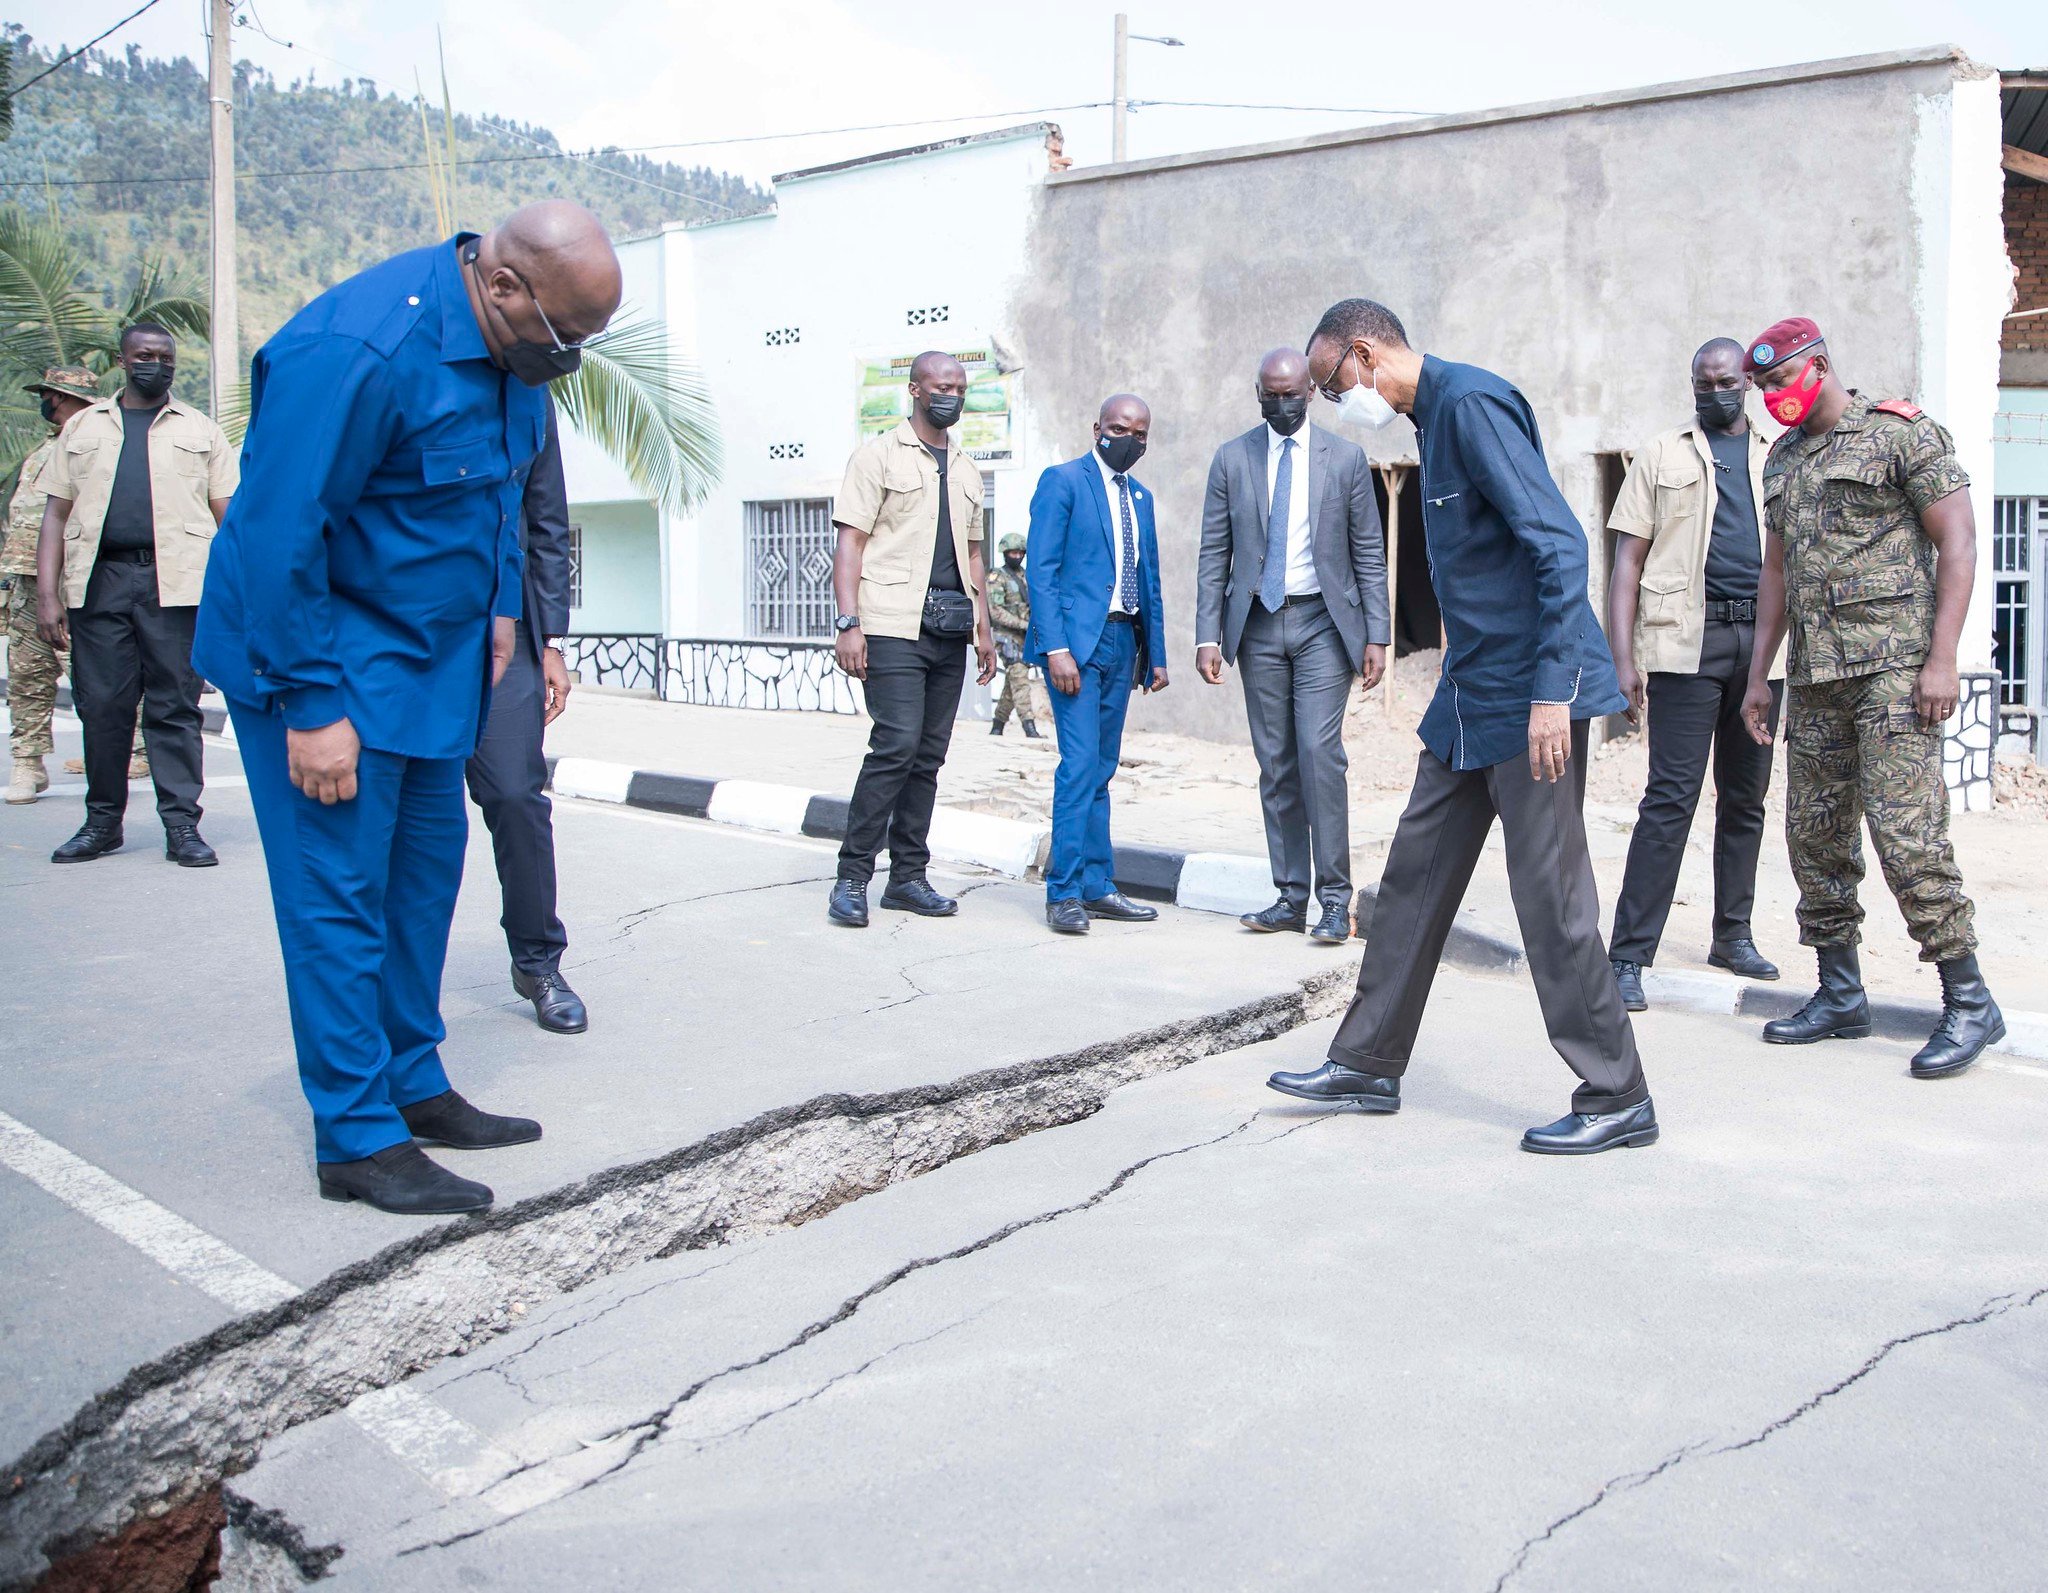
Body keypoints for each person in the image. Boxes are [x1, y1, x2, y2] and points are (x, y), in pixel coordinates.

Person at [192, 202, 623, 1216]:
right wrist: (309, 703)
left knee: (422, 878)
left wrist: (499, 616)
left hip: (436, 659)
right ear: (504, 285)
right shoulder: (359, 349)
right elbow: (274, 533)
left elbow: (499, 498)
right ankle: (355, 1134)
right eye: (565, 336)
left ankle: (412, 1082)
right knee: (339, 896)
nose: (570, 359)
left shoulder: (516, 354)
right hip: (323, 654)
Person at [1268, 298, 1656, 1156]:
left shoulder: (1471, 405)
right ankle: (1367, 1060)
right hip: (1471, 692)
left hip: (1531, 695)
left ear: (1364, 354)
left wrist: (1555, 689)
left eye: (1334, 385)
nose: (1339, 406)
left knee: (1549, 898)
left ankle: (1617, 1090)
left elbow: (1557, 543)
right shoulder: (1427, 421)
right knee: (1411, 876)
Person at [1739, 317, 2002, 1079]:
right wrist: (1763, 674)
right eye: (1763, 389)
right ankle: (1840, 991)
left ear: (1818, 365)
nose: (1771, 399)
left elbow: (1958, 538)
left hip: (1896, 669)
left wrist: (1944, 659)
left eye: (1780, 381)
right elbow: (1776, 574)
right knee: (1813, 834)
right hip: (1819, 675)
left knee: (1906, 833)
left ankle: (1969, 998)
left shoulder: (1899, 434)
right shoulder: (1782, 460)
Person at [1604, 338, 1785, 1011]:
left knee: (1746, 797)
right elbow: (1627, 562)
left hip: (1764, 649)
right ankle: (1627, 954)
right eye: (1702, 383)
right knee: (1670, 799)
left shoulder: (1780, 452)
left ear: (1747, 382)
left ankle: (1731, 935)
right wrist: (1623, 659)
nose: (1714, 393)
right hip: (1686, 644)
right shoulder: (1661, 454)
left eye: (1726, 381)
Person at [1196, 347, 1390, 945]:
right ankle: (1289, 896)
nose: (1280, 405)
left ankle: (1335, 899)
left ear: (1310, 392)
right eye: (1268, 396)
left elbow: (1367, 552)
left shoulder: (1347, 459)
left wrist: (1377, 633)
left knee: (1318, 753)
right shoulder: (1233, 459)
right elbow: (1213, 555)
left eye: (1290, 394)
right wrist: (1208, 633)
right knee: (1275, 761)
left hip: (1323, 627)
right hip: (1257, 626)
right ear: (1259, 394)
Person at [35, 325, 237, 865]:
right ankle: (102, 823)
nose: (156, 364)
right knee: (102, 707)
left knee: (175, 706)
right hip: (100, 583)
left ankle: (181, 827)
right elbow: (55, 514)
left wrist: (237, 595)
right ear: (123, 361)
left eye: (165, 356)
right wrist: (48, 596)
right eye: (145, 355)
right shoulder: (82, 427)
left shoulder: (201, 430)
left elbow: (229, 519)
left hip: (177, 585)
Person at [826, 351, 999, 928]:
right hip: (890, 623)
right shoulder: (876, 457)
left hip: (950, 630)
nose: (950, 394)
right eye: (939, 385)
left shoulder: (970, 469)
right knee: (895, 745)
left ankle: (907, 878)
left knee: (927, 758)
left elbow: (974, 553)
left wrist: (985, 626)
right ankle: (853, 876)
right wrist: (848, 623)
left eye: (958, 386)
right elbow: (850, 542)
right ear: (914, 390)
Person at [1026, 393, 1170, 936]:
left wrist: (1155, 654)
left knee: (1104, 768)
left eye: (1139, 432)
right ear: (1096, 428)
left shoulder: (1142, 497)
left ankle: (1097, 884)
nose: (1128, 438)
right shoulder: (1062, 482)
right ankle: (1063, 891)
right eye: (1118, 427)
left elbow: (1149, 576)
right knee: (1080, 765)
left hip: (1123, 643)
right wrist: (1056, 648)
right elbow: (1041, 571)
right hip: (1076, 649)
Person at [466, 397, 587, 1035]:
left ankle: (538, 961)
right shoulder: (414, 369)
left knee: (516, 794)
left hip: (509, 634)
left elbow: (547, 525)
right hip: (411, 634)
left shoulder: (529, 396)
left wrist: (550, 643)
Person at [3, 368, 97, 804]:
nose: (48, 403)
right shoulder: (45, 447)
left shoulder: (96, 446)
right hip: (26, 579)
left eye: (52, 396)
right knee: (27, 674)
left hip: (76, 581)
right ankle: (28, 762)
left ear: (71, 399)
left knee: (97, 675)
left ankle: (128, 751)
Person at [986, 531, 1045, 738]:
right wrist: (1023, 624)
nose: (1017, 556)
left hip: (1025, 636)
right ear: (1005, 553)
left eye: (1020, 552)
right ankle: (1029, 726)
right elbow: (995, 611)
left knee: (1013, 681)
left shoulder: (1025, 575)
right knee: (1019, 676)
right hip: (1006, 636)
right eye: (1013, 552)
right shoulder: (997, 577)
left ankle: (997, 724)